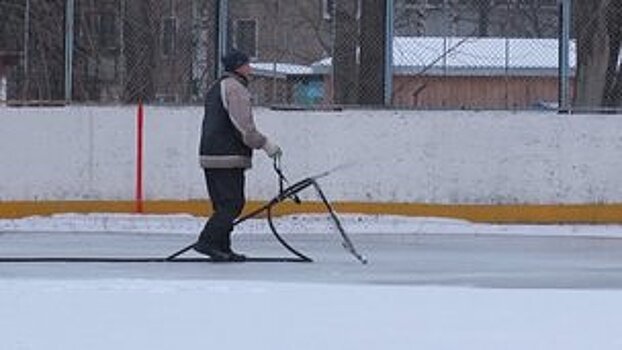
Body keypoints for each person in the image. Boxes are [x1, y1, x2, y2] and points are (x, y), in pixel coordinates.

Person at [194, 49, 282, 261]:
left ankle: (222, 247)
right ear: (239, 66)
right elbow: (244, 127)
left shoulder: (218, 86)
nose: (250, 68)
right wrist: (265, 144)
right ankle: (207, 241)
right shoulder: (235, 88)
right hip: (227, 156)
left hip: (211, 154)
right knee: (232, 204)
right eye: (247, 64)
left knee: (222, 205)